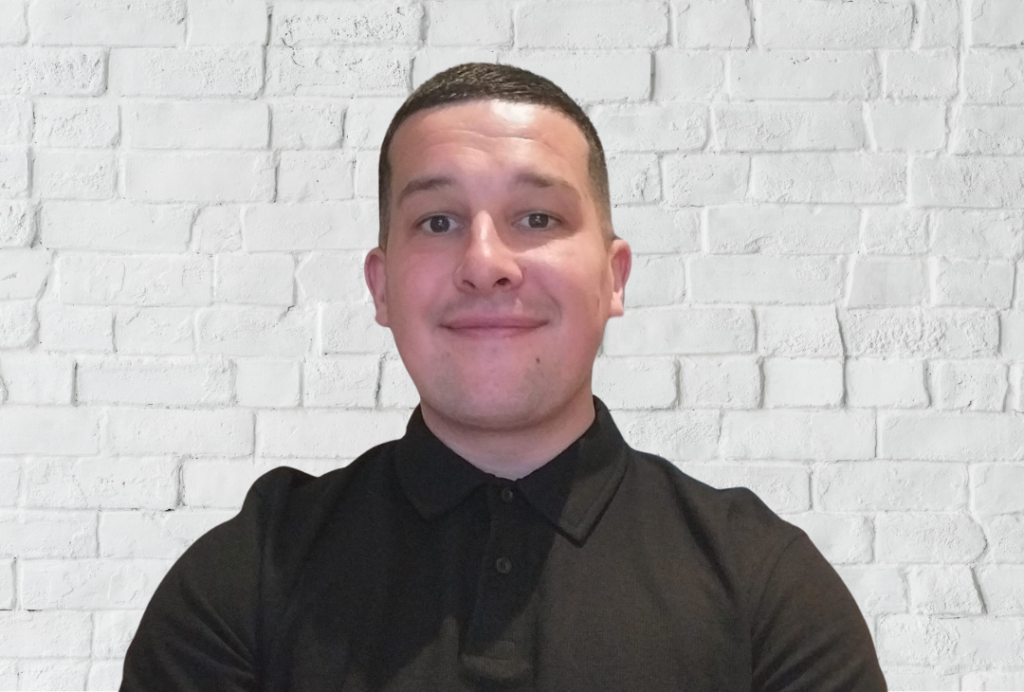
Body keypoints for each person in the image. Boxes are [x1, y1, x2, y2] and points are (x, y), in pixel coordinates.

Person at [120, 63, 887, 692]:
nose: (486, 264)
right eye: (439, 222)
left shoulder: (767, 589)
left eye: (538, 219)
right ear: (381, 287)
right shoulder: (245, 581)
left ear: (613, 278)